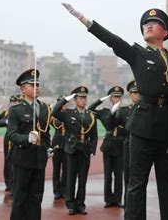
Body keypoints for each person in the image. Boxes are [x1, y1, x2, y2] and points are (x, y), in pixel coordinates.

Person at [62, 3, 168, 220]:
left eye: (154, 23)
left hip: (167, 128)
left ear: (165, 32)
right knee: (136, 184)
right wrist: (84, 20)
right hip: (142, 127)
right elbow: (113, 40)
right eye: (146, 24)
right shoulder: (137, 53)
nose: (148, 26)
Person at [7, 69, 52, 220]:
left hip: (39, 158)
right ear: (23, 89)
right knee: (20, 197)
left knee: (36, 197)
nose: (36, 87)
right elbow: (12, 135)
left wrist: (48, 147)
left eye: (38, 84)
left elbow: (46, 133)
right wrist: (27, 138)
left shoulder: (45, 108)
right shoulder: (15, 110)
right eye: (32, 85)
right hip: (22, 158)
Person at [52, 86, 97, 215]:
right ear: (75, 100)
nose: (83, 100)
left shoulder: (91, 115)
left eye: (84, 98)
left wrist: (92, 149)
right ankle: (71, 204)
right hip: (71, 149)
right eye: (80, 98)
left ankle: (80, 204)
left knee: (82, 179)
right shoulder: (68, 113)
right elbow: (55, 111)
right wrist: (65, 100)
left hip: (84, 151)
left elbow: (93, 135)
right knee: (70, 178)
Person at [88, 86, 124, 208]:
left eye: (119, 97)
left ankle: (118, 199)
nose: (117, 99)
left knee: (119, 175)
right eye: (114, 97)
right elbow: (90, 109)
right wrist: (101, 99)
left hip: (120, 146)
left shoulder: (125, 111)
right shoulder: (104, 112)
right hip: (108, 146)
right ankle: (108, 199)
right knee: (108, 174)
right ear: (110, 99)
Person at [115, 80, 138, 206]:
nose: (137, 95)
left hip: (142, 148)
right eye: (134, 92)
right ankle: (128, 204)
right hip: (128, 145)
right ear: (130, 94)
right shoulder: (123, 111)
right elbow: (111, 124)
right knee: (128, 178)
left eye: (138, 92)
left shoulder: (146, 110)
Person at [0, 95, 20, 193]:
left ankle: (15, 184)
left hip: (18, 138)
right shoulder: (7, 112)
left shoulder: (21, 112)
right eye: (13, 102)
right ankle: (8, 183)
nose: (14, 103)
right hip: (8, 138)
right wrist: (6, 121)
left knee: (16, 161)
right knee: (7, 161)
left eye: (16, 101)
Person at [50, 95, 68, 200]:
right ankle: (57, 190)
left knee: (66, 169)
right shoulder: (54, 116)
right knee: (56, 169)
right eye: (61, 103)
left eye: (64, 103)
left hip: (67, 144)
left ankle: (64, 190)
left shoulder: (69, 114)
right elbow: (56, 125)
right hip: (57, 144)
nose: (63, 105)